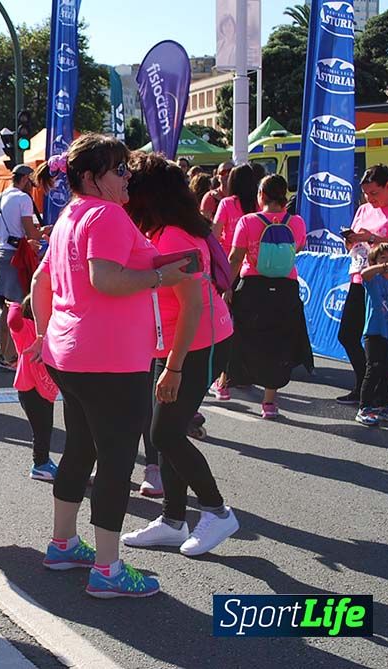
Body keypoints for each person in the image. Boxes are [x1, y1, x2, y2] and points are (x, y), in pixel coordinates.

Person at [28, 134, 192, 598]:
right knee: (116, 460)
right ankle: (108, 569)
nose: (127, 177)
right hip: (110, 360)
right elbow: (106, 278)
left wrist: (42, 334)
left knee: (81, 447)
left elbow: (42, 281)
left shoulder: (70, 216)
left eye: (126, 168)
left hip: (71, 354)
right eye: (118, 169)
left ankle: (63, 543)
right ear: (89, 178)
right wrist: (162, 276)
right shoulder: (106, 215)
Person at [120, 153, 239, 557]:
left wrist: (173, 366)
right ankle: (172, 520)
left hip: (197, 342)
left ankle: (216, 510)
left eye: (129, 185)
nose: (124, 190)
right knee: (163, 429)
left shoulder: (172, 236)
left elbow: (192, 307)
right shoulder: (161, 230)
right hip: (172, 343)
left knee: (164, 433)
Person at [226, 174, 312, 419]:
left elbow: (234, 258)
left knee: (242, 335)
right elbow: (296, 248)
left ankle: (227, 380)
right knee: (278, 342)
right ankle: (269, 403)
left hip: (253, 286)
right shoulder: (297, 223)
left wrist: (227, 286)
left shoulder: (248, 221)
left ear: (261, 195)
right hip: (286, 289)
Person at [335, 165, 388, 405]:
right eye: (366, 193)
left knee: (380, 341)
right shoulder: (364, 209)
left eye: (374, 193)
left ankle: (376, 392)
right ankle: (364, 383)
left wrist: (373, 238)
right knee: (347, 333)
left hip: (387, 282)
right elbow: (356, 244)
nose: (370, 199)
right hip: (360, 276)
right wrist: (352, 240)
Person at [210, 163, 259, 400]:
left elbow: (214, 232)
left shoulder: (227, 204)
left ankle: (223, 380)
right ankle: (244, 373)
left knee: (225, 326)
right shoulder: (258, 205)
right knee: (246, 326)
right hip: (252, 269)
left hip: (227, 266)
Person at [0, 164, 41, 371]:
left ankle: (4, 352)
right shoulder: (23, 199)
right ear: (25, 179)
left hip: (1, 253)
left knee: (6, 307)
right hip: (15, 256)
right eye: (31, 183)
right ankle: (11, 357)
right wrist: (45, 231)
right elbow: (30, 232)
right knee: (18, 307)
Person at [355, 243, 388, 426]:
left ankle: (383, 406)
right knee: (374, 369)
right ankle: (364, 408)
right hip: (374, 332)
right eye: (383, 258)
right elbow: (364, 274)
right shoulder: (374, 280)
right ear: (375, 262)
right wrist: (383, 267)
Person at [7, 295, 60, 482]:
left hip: (46, 390)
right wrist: (14, 305)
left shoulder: (51, 331)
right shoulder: (26, 330)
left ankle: (43, 461)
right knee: (41, 430)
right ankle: (40, 465)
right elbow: (13, 320)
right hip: (30, 389)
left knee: (45, 429)